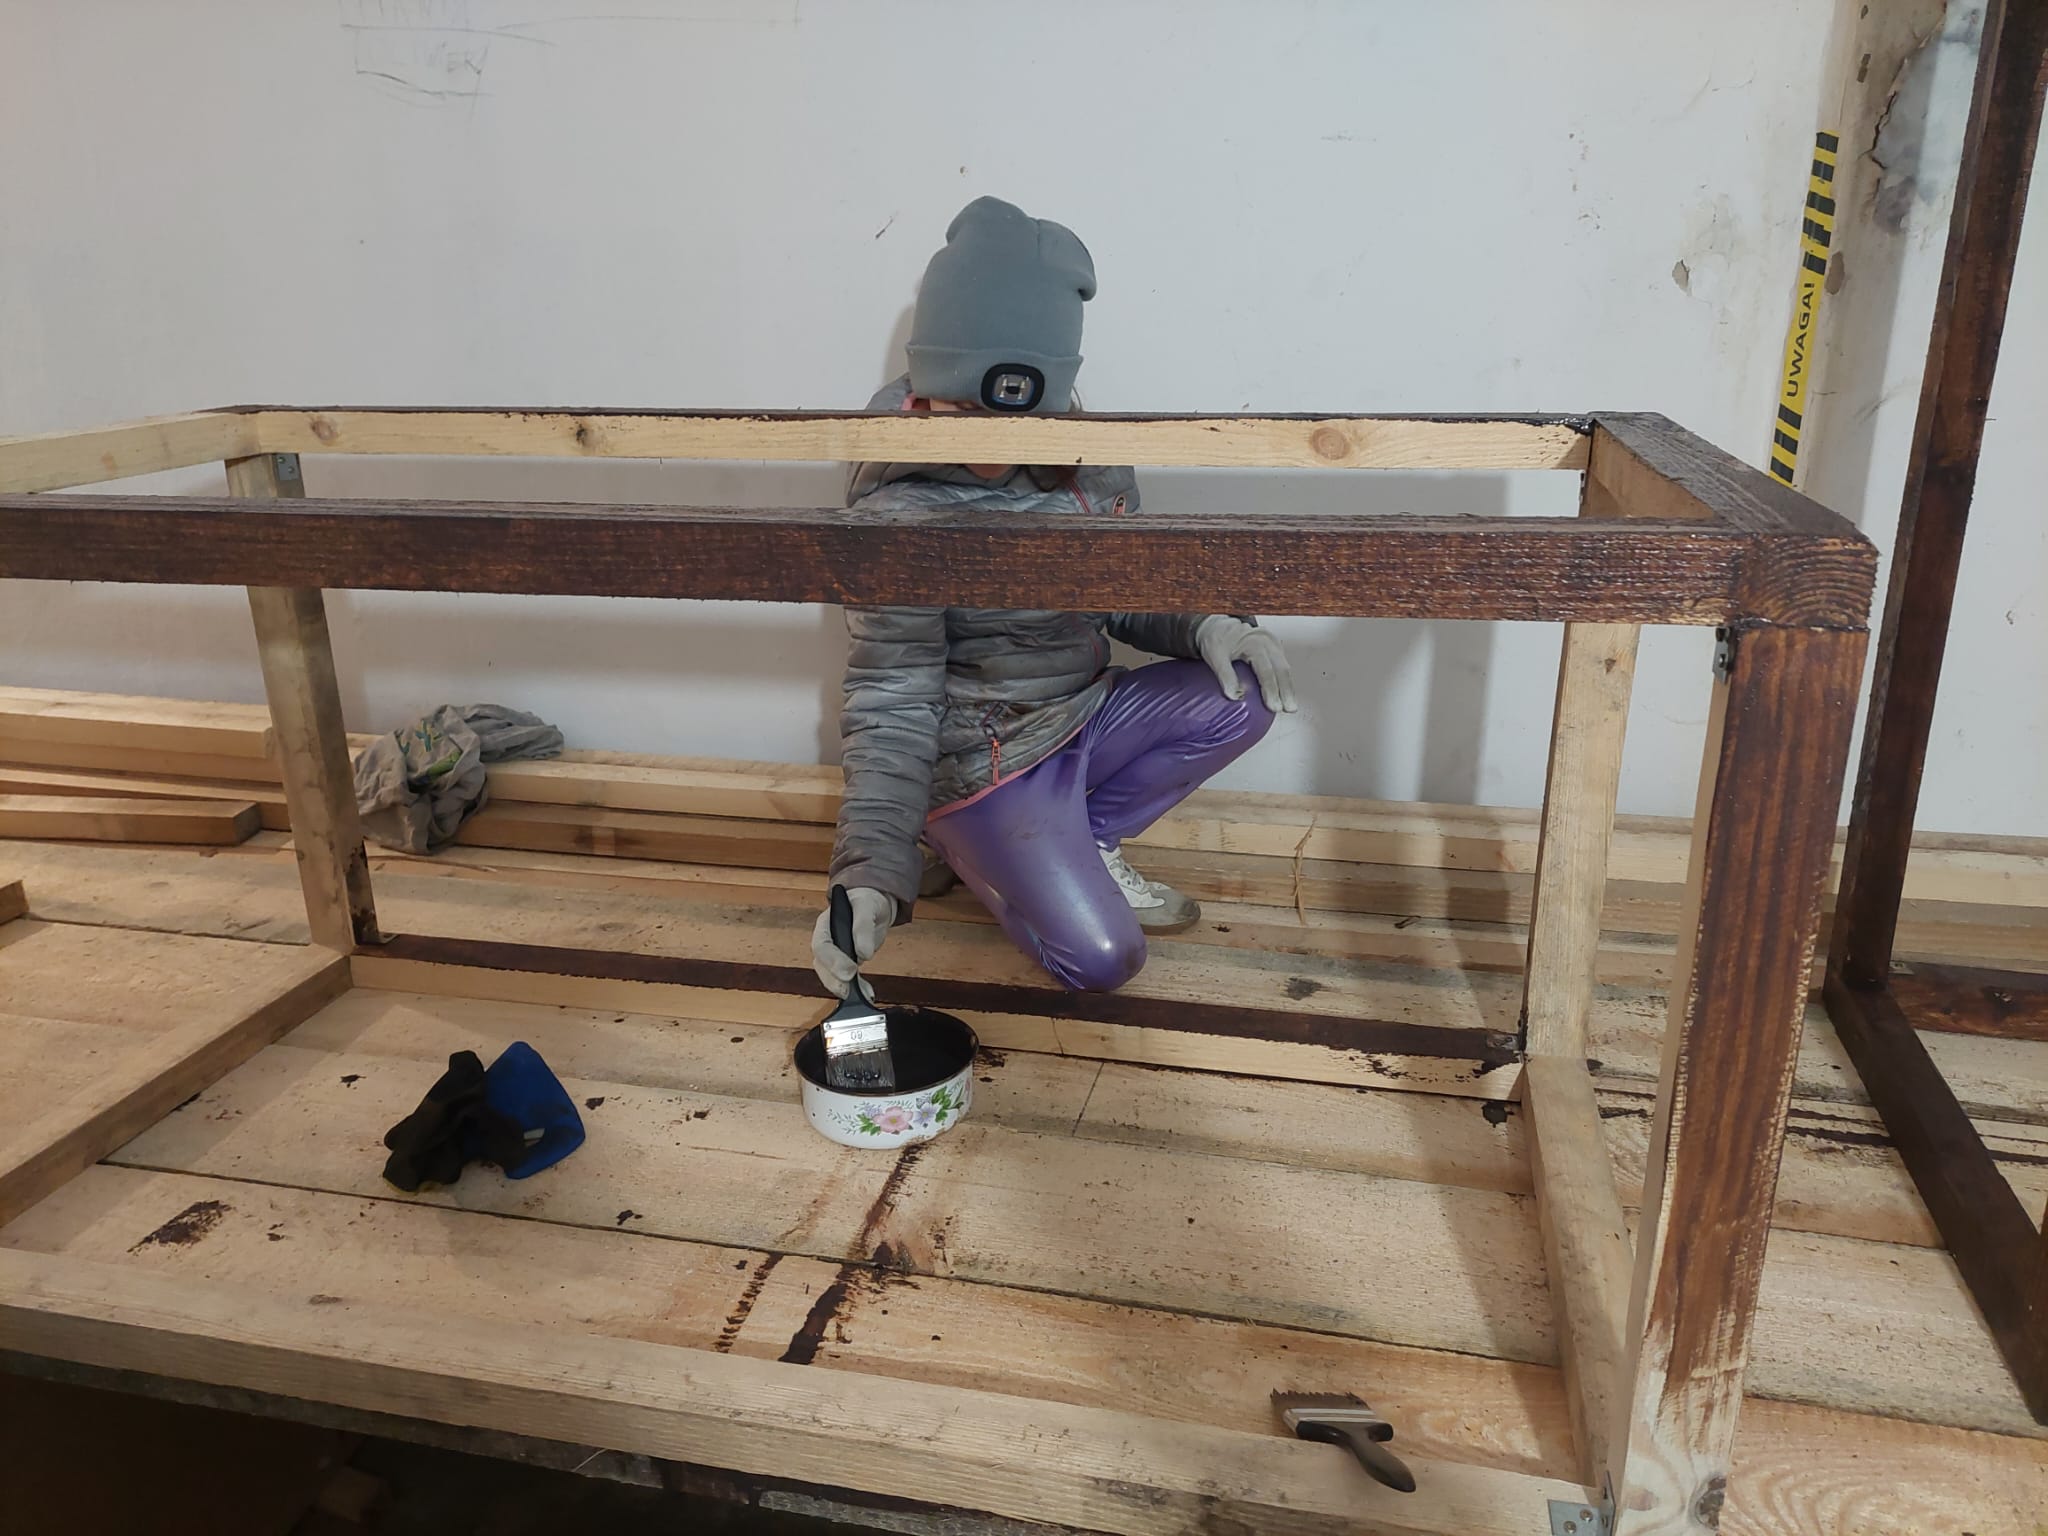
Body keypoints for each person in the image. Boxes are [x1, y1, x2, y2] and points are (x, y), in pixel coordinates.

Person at [810, 196, 1298, 997]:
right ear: (927, 386)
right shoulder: (899, 510)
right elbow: (893, 696)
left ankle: (1086, 842)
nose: (989, 451)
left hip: (1081, 714)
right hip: (982, 762)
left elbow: (1121, 590)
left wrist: (1207, 624)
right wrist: (871, 871)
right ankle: (953, 843)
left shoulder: (1084, 453)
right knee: (1102, 961)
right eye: (963, 410)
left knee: (1241, 691)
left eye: (1017, 420)